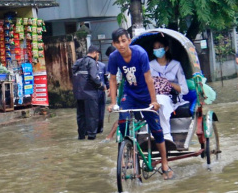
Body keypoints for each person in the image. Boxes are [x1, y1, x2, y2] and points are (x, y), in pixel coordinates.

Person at [106, 29, 172, 179]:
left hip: (145, 95)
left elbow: (149, 78)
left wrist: (154, 101)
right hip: (129, 94)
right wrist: (113, 103)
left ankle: (165, 163)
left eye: (124, 41)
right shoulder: (114, 57)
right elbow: (112, 80)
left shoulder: (140, 53)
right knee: (122, 119)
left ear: (129, 40)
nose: (121, 45)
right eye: (118, 42)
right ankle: (125, 151)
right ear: (114, 44)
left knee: (156, 129)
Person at [149, 38, 188, 147]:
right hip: (153, 95)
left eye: (159, 47)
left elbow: (184, 89)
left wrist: (167, 84)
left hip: (172, 97)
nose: (157, 50)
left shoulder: (176, 65)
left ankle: (166, 134)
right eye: (155, 48)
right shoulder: (150, 66)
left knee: (160, 100)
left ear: (166, 48)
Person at [72, 45, 103, 140]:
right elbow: (94, 77)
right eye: (98, 55)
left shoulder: (78, 61)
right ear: (95, 53)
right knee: (92, 115)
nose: (97, 57)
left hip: (79, 93)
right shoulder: (92, 62)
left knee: (81, 115)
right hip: (90, 93)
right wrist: (100, 85)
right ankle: (91, 136)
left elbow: (73, 74)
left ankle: (81, 135)